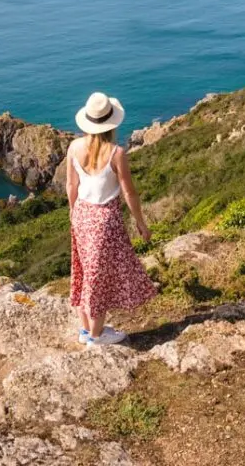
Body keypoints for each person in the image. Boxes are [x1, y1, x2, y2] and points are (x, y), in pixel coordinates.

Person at [67, 91, 156, 346]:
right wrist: (140, 222)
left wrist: (73, 214)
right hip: (105, 221)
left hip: (81, 215)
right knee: (99, 278)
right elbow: (129, 192)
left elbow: (71, 187)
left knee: (86, 273)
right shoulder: (116, 153)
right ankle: (96, 336)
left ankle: (86, 331)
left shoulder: (74, 147)